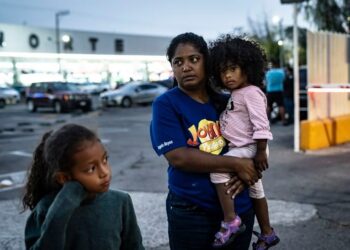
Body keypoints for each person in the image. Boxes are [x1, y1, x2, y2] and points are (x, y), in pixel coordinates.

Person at [150, 32, 261, 250]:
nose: (186, 67)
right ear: (172, 68)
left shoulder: (228, 102)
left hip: (239, 208)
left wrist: (249, 171)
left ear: (206, 62)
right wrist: (237, 165)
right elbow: (179, 157)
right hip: (192, 213)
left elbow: (255, 141)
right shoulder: (166, 104)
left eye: (194, 59)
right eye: (178, 62)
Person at [22, 123, 144, 250]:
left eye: (105, 160)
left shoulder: (120, 202)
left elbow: (135, 246)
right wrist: (60, 212)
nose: (104, 172)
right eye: (91, 169)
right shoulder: (46, 209)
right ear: (64, 178)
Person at [209, 35, 280, 250]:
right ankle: (267, 233)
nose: (228, 75)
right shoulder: (237, 92)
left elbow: (262, 124)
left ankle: (231, 221)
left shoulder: (251, 93)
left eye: (233, 68)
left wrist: (259, 153)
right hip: (246, 148)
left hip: (249, 148)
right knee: (256, 192)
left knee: (218, 170)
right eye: (223, 71)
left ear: (247, 67)